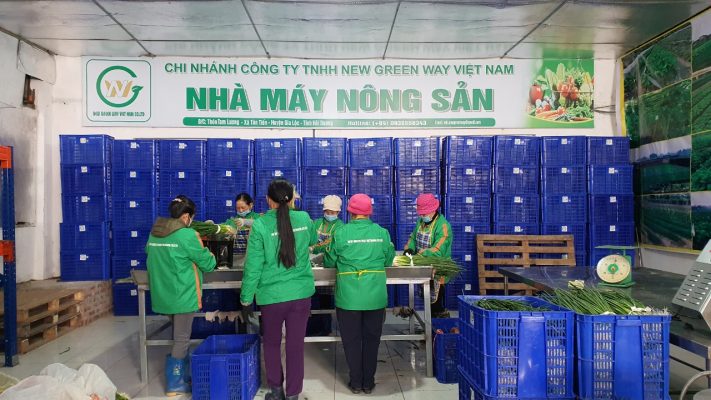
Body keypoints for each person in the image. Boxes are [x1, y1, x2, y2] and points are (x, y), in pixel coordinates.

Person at [240, 179, 316, 400]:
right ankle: (293, 394)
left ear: (268, 200)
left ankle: (276, 391)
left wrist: (246, 299)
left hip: (271, 297)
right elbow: (312, 239)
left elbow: (253, 267)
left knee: (272, 344)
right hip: (300, 294)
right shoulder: (304, 218)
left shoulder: (260, 225)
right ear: (292, 199)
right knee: (295, 346)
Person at [324, 193, 395, 395]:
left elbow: (329, 261)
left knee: (351, 340)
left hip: (349, 297)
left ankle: (356, 382)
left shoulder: (341, 233)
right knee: (372, 340)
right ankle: (368, 383)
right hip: (375, 297)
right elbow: (388, 260)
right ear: (369, 212)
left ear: (350, 212)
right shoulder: (382, 233)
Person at [145, 195, 216, 396]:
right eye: (192, 217)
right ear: (186, 216)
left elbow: (150, 255)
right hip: (183, 295)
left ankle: (182, 376)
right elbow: (208, 264)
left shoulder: (155, 234)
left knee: (178, 336)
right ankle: (175, 383)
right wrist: (210, 255)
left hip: (163, 295)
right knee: (182, 338)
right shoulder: (187, 235)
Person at [403, 193, 453, 318]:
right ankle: (430, 324)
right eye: (421, 213)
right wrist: (409, 248)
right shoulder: (421, 222)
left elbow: (438, 249)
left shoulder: (443, 226)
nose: (422, 216)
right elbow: (413, 237)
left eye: (424, 213)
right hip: (423, 266)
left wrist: (422, 253)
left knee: (435, 303)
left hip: (437, 269)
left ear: (433, 210)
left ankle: (438, 323)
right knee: (426, 298)